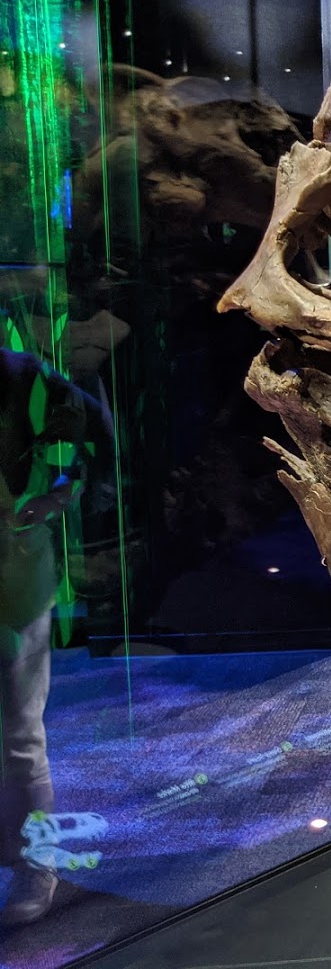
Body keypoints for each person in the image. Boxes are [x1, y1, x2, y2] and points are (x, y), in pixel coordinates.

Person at [0, 350, 109, 925]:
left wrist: (56, 496)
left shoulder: (17, 372)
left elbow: (97, 431)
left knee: (20, 732)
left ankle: (36, 861)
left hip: (13, 570)